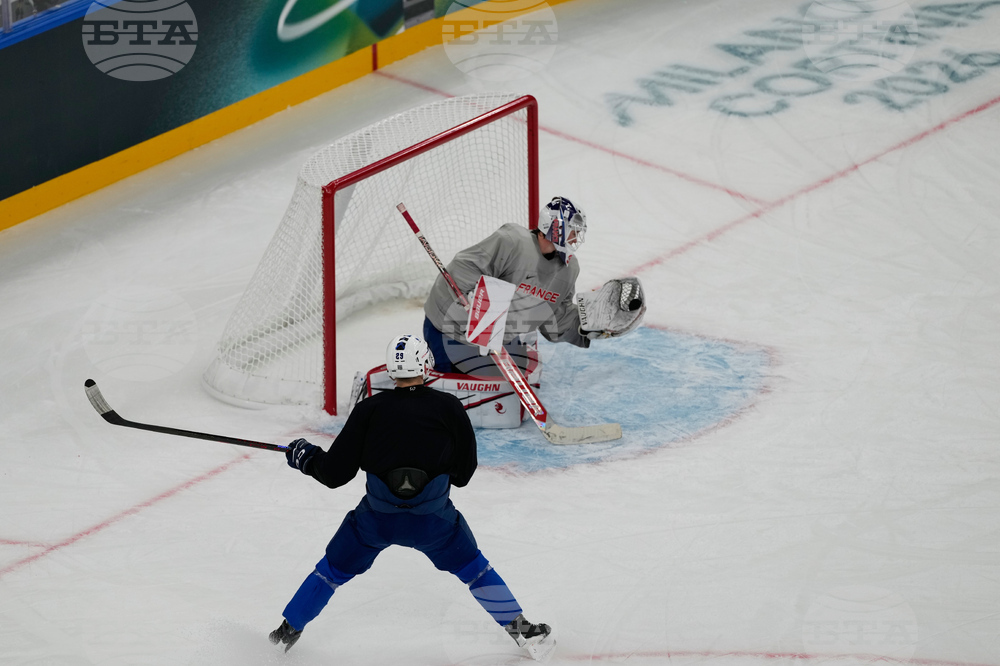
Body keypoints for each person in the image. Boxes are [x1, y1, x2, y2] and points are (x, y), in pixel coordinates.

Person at [269, 334, 556, 661]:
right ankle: (523, 632)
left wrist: (306, 457)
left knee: (330, 571)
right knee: (476, 570)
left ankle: (285, 634)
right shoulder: (448, 407)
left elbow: (336, 474)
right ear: (426, 365)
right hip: (434, 523)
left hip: (374, 522)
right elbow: (465, 472)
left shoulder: (368, 410)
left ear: (391, 371)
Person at [423, 195, 592, 377]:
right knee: (452, 395)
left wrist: (588, 325)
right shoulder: (511, 241)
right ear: (556, 228)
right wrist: (473, 305)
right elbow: (463, 268)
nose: (576, 239)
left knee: (507, 384)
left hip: (497, 340)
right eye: (573, 231)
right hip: (450, 331)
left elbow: (557, 321)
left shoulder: (569, 269)